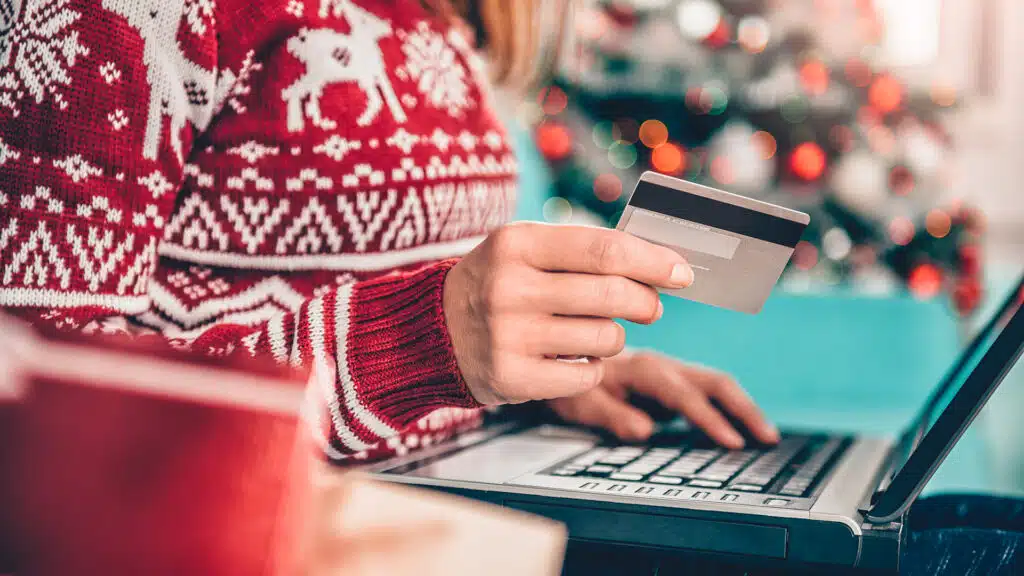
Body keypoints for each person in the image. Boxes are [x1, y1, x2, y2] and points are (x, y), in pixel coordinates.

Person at [0, 1, 1019, 575]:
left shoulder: (448, 16)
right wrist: (419, 340)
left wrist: (545, 372)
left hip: (465, 503)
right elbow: (34, 395)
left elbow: (394, 300)